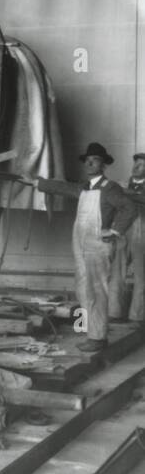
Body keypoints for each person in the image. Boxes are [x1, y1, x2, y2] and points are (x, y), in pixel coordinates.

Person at [32, 142, 143, 353]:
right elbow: (62, 187)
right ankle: (85, 328)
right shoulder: (84, 187)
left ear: (103, 165)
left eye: (95, 160)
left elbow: (129, 209)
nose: (90, 162)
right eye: (87, 160)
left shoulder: (109, 188)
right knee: (81, 288)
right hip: (80, 244)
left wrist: (115, 231)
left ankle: (98, 337)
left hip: (97, 247)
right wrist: (38, 183)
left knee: (95, 290)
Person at [116, 152, 145, 323]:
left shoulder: (123, 188)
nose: (136, 167)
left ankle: (137, 316)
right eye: (136, 164)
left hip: (142, 232)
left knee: (141, 276)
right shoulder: (121, 184)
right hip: (121, 231)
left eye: (142, 165)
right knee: (116, 272)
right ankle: (115, 312)